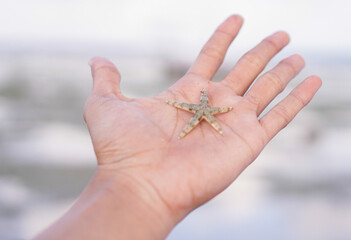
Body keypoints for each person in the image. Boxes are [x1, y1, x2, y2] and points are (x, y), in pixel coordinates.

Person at [34, 15, 321, 239]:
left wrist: (131, 185)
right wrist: (132, 181)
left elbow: (206, 110)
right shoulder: (201, 110)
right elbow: (199, 109)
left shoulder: (206, 110)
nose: (209, 113)